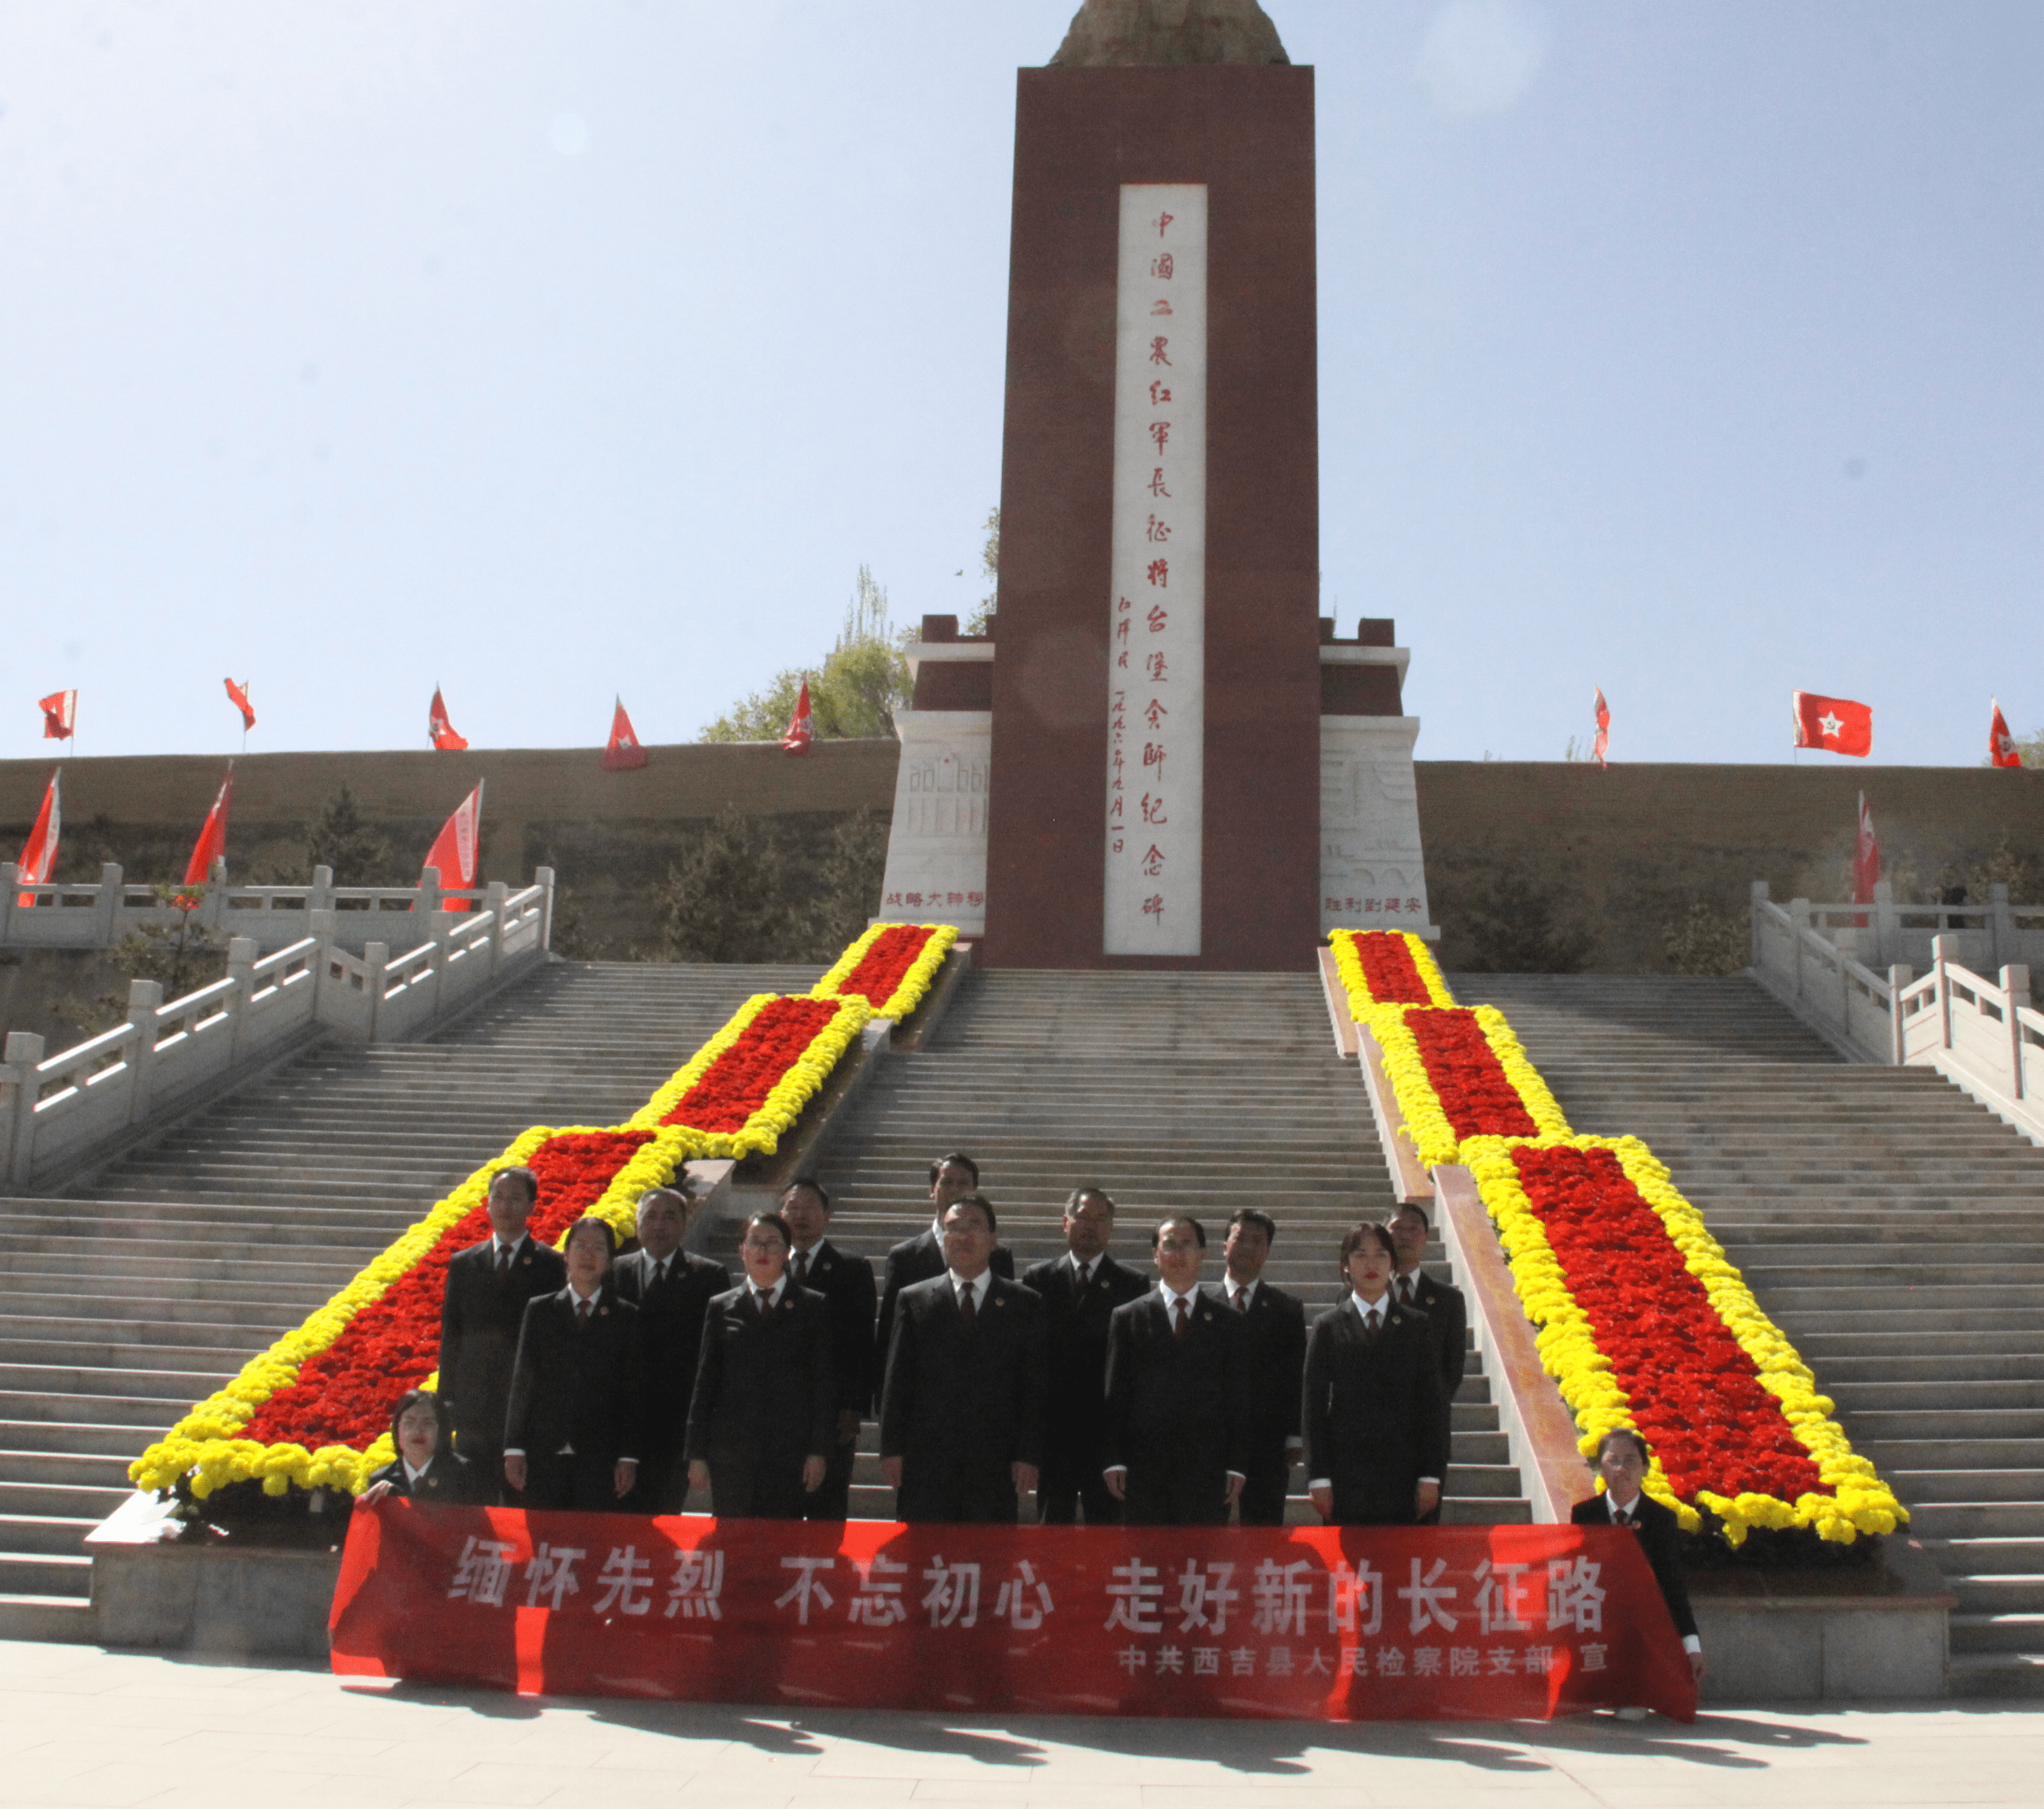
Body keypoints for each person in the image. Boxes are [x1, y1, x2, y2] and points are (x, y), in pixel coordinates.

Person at [879, 1194, 1046, 1524]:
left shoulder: (1024, 1303)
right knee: (924, 1562)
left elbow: (1032, 1385)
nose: (963, 1236)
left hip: (995, 1460)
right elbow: (898, 1379)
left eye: (975, 1226)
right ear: (942, 1241)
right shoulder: (914, 1299)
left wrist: (1028, 1454)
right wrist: (891, 1449)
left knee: (989, 1563)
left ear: (993, 1239)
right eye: (952, 1228)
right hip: (927, 1459)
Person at [685, 1212, 836, 1518]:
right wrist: (697, 1454)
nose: (763, 1251)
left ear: (787, 1251)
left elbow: (823, 1385)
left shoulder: (813, 1306)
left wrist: (818, 1451)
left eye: (772, 1243)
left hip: (789, 1453)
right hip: (732, 1455)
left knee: (780, 1548)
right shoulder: (721, 1306)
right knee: (734, 1548)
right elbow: (706, 1383)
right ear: (741, 1250)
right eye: (755, 1242)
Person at [1102, 1215, 1249, 1526]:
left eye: (1188, 1245)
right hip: (1143, 1469)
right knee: (1148, 1565)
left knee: (1199, 1567)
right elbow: (1116, 1395)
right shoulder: (1128, 1317)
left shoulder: (1228, 1322)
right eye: (1169, 1245)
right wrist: (1113, 1458)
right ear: (1156, 1255)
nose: (1179, 1253)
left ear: (1203, 1254)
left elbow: (1237, 1399)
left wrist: (1236, 1464)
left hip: (1206, 1469)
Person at [1303, 1221, 1450, 1526]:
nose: (1371, 1264)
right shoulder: (1329, 1325)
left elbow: (1432, 1405)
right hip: (1346, 1472)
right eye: (1360, 1255)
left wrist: (1430, 1474)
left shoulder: (1416, 1325)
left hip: (1403, 1471)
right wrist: (1318, 1479)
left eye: (1381, 1255)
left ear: (1392, 1264)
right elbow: (1313, 1406)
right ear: (1345, 1266)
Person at [503, 1215, 647, 1510]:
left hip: (600, 1455)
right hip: (543, 1450)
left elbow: (633, 1393)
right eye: (580, 1246)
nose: (588, 1255)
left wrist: (628, 1457)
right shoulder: (540, 1310)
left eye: (599, 1248)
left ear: (610, 1260)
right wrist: (514, 1448)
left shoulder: (626, 1316)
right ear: (566, 1255)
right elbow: (523, 1381)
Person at [437, 1167, 565, 1497]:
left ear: (532, 1206)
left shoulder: (551, 1265)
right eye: (499, 1198)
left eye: (516, 1199)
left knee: (519, 1501)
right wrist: (446, 1399)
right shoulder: (464, 1263)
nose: (506, 1206)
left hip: (523, 1405)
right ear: (488, 1204)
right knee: (474, 1500)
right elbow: (452, 1334)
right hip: (473, 1403)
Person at [1023, 1186, 1148, 1524]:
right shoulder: (1038, 1279)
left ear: (1110, 1227)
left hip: (1105, 1432)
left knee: (1106, 1533)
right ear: (1064, 1222)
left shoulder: (1131, 1283)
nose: (1091, 1225)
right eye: (1082, 1216)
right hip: (1055, 1432)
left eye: (1100, 1218)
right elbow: (1030, 1361)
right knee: (1053, 1529)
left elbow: (1133, 1367)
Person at [609, 1182, 730, 1513]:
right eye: (650, 1217)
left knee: (663, 1516)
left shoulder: (709, 1276)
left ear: (685, 1222)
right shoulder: (614, 1272)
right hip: (617, 1424)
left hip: (675, 1426)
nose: (659, 1225)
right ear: (637, 1224)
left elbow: (714, 1357)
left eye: (669, 1217)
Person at [1572, 1428, 1706, 1688]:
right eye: (1613, 1460)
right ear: (1600, 1467)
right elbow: (1576, 1579)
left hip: (1642, 1631)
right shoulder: (1584, 1514)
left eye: (1631, 1460)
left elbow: (1673, 1588)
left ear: (1645, 1468)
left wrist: (1692, 1647)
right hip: (1596, 1627)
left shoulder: (1661, 1520)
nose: (1621, 1468)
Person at [778, 1175, 877, 1521]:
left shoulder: (852, 1268)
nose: (799, 1215)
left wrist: (853, 1407)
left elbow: (862, 1343)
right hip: (778, 1412)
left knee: (827, 1509)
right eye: (792, 1206)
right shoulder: (767, 1266)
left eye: (809, 1207)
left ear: (827, 1216)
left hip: (832, 1412)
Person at [875, 1152, 1015, 1372]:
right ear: (932, 1190)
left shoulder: (998, 1256)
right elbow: (889, 1335)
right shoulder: (904, 1257)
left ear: (974, 1191)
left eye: (963, 1183)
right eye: (946, 1182)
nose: (955, 1189)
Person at [1216, 1207, 1306, 1526]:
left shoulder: (1287, 1309)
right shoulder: (1201, 1303)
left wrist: (1295, 1434)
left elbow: (1296, 1374)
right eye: (1239, 1238)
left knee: (1263, 1529)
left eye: (1258, 1241)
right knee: (1205, 1531)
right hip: (1211, 1438)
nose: (1247, 1247)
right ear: (1224, 1244)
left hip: (1267, 1440)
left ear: (1267, 1252)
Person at [1387, 1200, 1467, 1524]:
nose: (1405, 1235)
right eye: (1397, 1228)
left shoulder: (1448, 1300)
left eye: (1413, 1229)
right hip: (1368, 1442)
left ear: (1426, 1239)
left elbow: (1452, 1373)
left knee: (1419, 1544)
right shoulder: (1358, 1295)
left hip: (1424, 1441)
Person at [358, 1389, 475, 1505]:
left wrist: (401, 1496)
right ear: (397, 1429)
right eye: (409, 1422)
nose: (417, 1431)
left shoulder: (463, 1474)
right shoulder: (381, 1479)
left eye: (428, 1422)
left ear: (442, 1430)